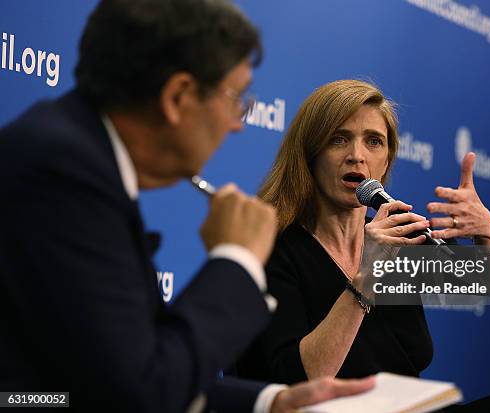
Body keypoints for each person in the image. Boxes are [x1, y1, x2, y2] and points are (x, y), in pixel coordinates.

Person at [0, 2, 375, 412]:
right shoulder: (63, 172)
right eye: (236, 99)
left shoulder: (83, 165)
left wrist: (271, 403)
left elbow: (121, 370)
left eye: (375, 141)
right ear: (177, 96)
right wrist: (237, 259)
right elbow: (137, 390)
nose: (238, 123)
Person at [236, 79, 490, 412]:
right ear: (310, 154)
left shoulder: (398, 242)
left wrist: (489, 233)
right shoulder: (274, 247)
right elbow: (301, 380)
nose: (357, 155)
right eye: (338, 139)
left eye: (373, 141)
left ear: (387, 159)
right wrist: (367, 279)